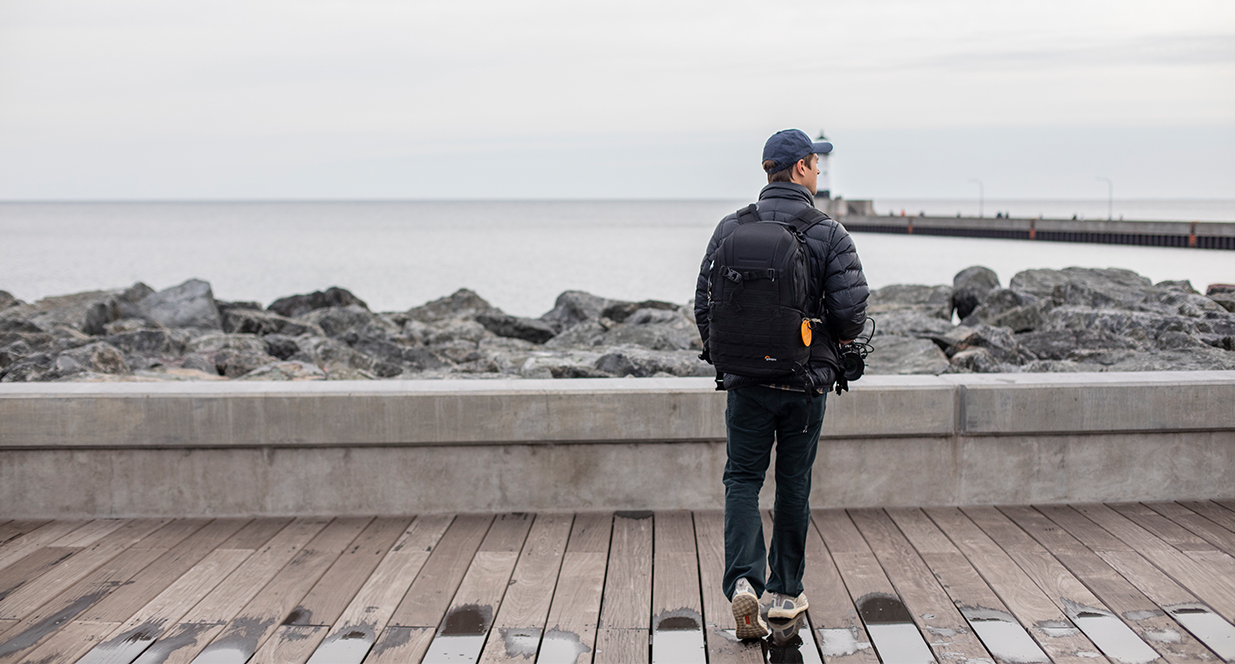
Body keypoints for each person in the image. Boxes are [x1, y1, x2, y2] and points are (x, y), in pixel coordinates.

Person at [694, 128, 868, 639]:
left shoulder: (731, 228)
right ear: (798, 169)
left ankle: (743, 583)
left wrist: (726, 356)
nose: (819, 173)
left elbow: (705, 304)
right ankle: (786, 593)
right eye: (815, 165)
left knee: (742, 479)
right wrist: (826, 351)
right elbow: (852, 313)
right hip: (804, 383)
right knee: (794, 483)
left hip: (746, 381)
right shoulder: (828, 232)